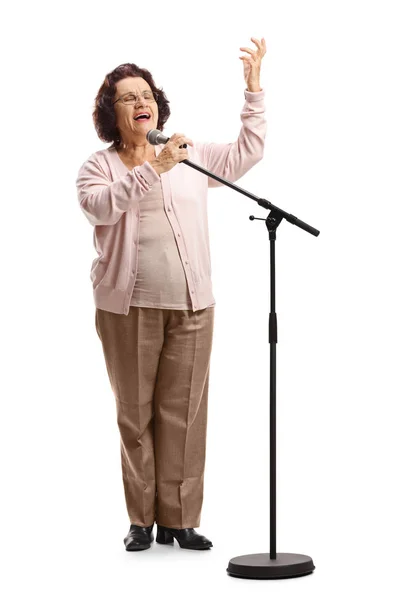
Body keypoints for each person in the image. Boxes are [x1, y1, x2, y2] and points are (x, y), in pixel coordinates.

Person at [75, 37, 267, 552]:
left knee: (184, 413)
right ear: (109, 113)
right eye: (128, 97)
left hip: (193, 307)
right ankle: (141, 520)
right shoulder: (99, 166)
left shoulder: (186, 153)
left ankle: (179, 520)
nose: (142, 104)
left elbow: (246, 154)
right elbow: (100, 208)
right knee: (135, 414)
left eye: (147, 95)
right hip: (128, 309)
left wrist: (253, 93)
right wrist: (150, 172)